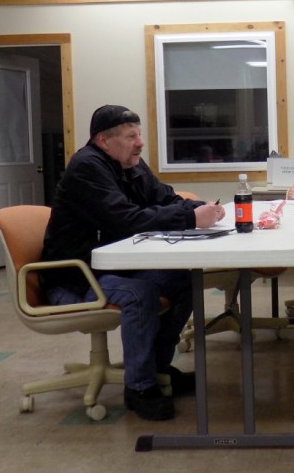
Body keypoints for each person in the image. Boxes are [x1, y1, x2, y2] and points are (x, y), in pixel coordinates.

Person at [40, 105, 226, 421]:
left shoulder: (129, 165)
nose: (139, 143)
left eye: (138, 135)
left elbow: (166, 199)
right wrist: (190, 217)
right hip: (75, 277)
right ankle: (139, 388)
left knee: (182, 280)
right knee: (141, 294)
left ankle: (155, 368)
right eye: (131, 136)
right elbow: (124, 220)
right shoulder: (87, 167)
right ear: (103, 140)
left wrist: (202, 208)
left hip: (109, 267)